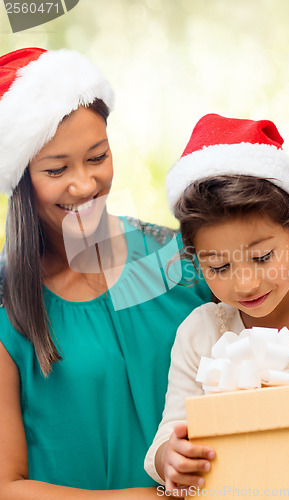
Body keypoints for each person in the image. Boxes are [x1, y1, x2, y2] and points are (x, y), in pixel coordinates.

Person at [0, 47, 212, 498]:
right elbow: (6, 484)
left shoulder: (178, 260)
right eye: (57, 169)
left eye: (97, 157)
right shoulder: (7, 310)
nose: (85, 184)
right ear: (19, 180)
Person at [144, 114, 289, 498]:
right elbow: (170, 433)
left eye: (262, 257)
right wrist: (171, 457)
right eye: (219, 266)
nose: (245, 283)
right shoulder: (200, 333)